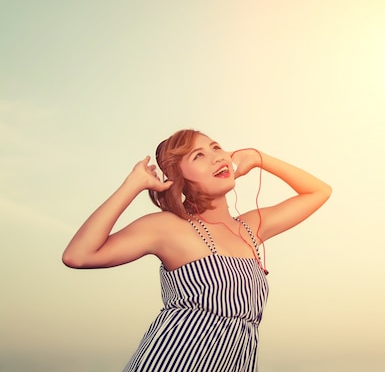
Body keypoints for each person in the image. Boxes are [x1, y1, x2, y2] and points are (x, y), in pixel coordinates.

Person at [62, 129, 332, 372]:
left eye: (216, 148)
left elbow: (318, 192)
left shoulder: (250, 229)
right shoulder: (169, 227)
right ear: (179, 178)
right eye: (198, 156)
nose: (216, 157)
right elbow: (78, 255)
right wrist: (132, 185)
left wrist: (259, 157)